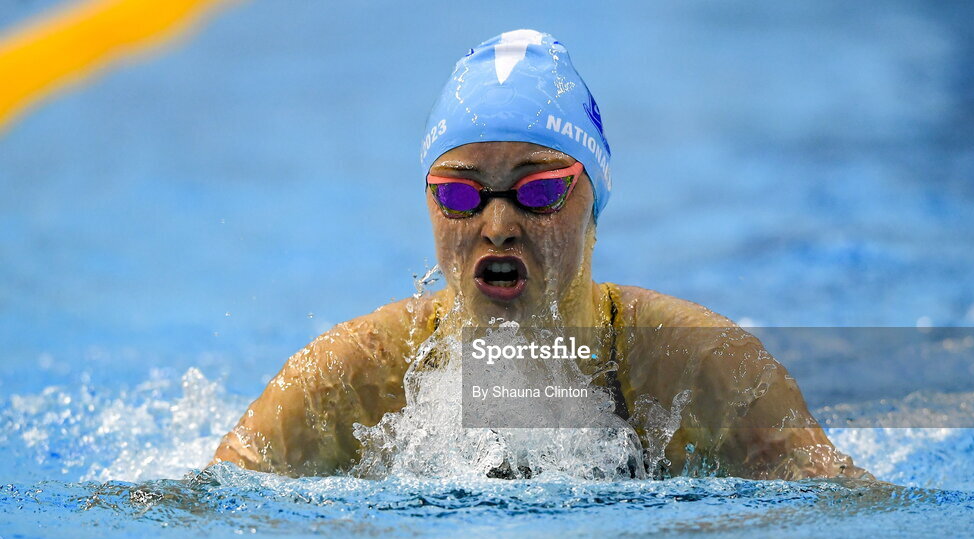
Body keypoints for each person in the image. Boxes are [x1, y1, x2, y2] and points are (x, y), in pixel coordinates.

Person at [210, 29, 870, 481]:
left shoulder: (700, 372)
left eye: (540, 189)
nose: (498, 225)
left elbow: (855, 526)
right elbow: (203, 512)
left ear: (595, 201)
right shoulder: (352, 384)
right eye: (461, 193)